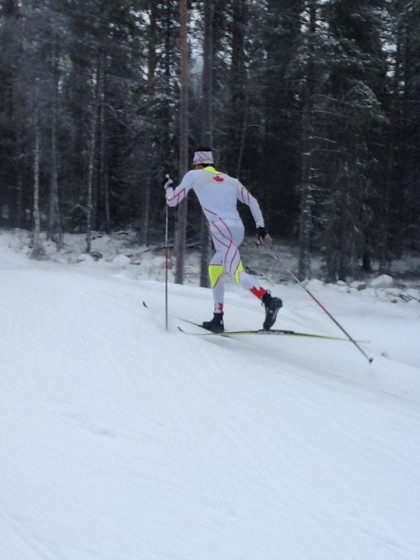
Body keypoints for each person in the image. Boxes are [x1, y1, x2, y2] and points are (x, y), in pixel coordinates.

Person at [164, 147, 282, 333]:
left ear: (198, 163)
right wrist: (261, 228)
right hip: (237, 229)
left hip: (220, 229)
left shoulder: (194, 174)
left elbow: (172, 201)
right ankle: (217, 318)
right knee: (215, 267)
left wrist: (168, 187)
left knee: (236, 273)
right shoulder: (230, 180)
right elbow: (252, 201)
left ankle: (268, 300)